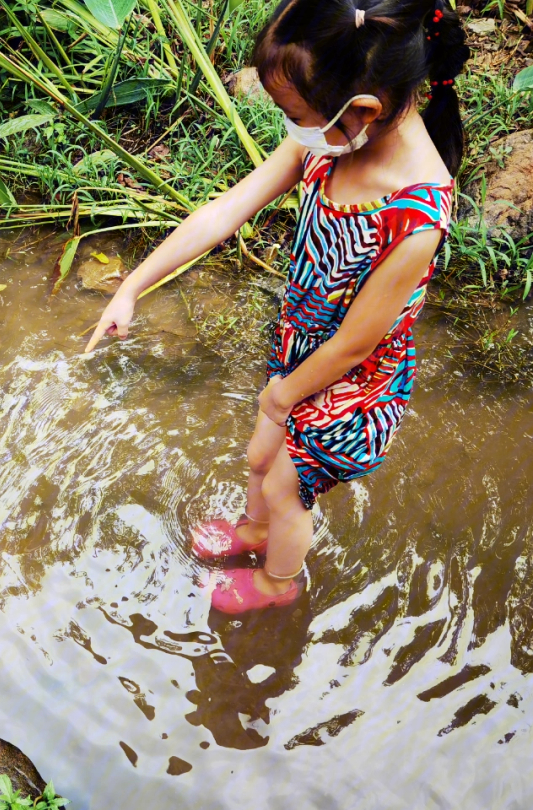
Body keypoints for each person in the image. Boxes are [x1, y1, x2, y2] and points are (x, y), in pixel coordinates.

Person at [86, 0, 468, 613]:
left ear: (362, 109)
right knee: (259, 455)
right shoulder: (330, 143)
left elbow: (357, 344)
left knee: (289, 485)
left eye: (296, 115)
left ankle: (276, 584)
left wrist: (285, 395)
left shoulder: (416, 211)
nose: (292, 130)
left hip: (356, 384)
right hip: (299, 349)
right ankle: (254, 531)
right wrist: (133, 285)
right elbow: (222, 212)